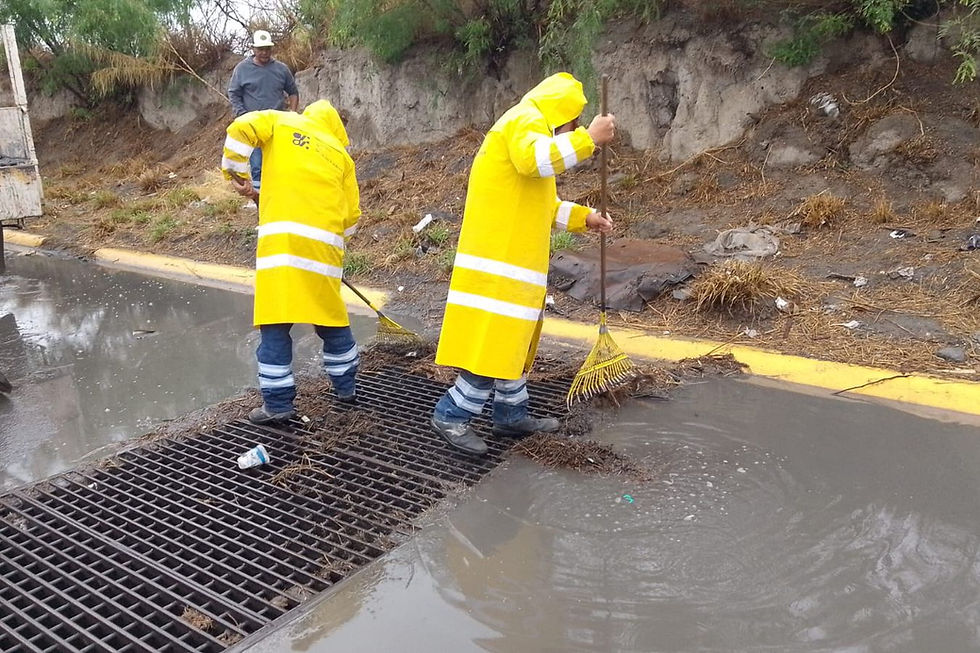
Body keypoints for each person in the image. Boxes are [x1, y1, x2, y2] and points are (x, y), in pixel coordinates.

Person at [431, 72, 616, 455]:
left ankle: (510, 414)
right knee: (491, 346)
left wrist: (585, 218)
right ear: (560, 113)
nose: (575, 129)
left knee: (513, 344)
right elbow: (536, 161)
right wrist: (588, 140)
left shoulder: (527, 130)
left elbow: (542, 206)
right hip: (499, 266)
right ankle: (451, 413)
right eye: (573, 123)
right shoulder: (525, 121)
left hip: (513, 265)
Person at [220, 99, 361, 425]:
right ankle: (347, 388)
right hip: (325, 253)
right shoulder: (342, 155)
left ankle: (278, 405)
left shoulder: (282, 122)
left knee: (275, 326)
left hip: (281, 249)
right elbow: (351, 217)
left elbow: (242, 127)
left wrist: (237, 171)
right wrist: (332, 245)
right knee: (332, 322)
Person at [227, 30, 299, 199]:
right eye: (260, 49)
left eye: (267, 48)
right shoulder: (242, 69)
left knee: (281, 162)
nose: (264, 52)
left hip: (279, 126)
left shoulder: (281, 69)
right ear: (253, 49)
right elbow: (234, 93)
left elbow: (293, 92)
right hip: (255, 127)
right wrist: (243, 115)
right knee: (258, 165)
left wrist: (293, 114)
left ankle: (282, 198)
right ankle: (261, 203)